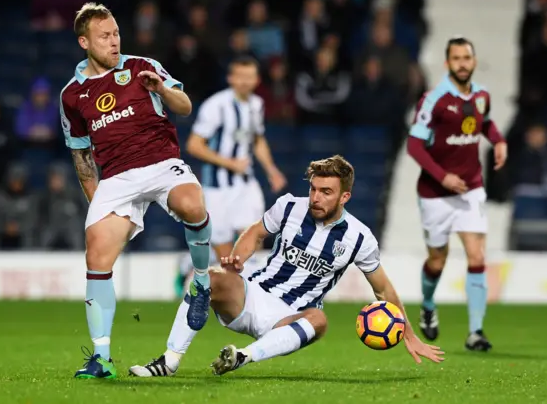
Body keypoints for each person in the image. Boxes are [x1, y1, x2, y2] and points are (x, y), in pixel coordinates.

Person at [129, 155, 444, 377]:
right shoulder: (290, 206)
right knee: (209, 278)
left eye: (326, 192)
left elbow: (383, 289)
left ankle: (242, 356)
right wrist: (238, 258)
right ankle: (168, 361)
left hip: (290, 317)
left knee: (320, 320)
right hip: (252, 295)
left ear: (345, 196)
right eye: (314, 189)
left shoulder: (360, 238)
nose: (316, 198)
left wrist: (409, 334)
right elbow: (255, 232)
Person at [60, 3, 214, 379]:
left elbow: (184, 105)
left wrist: (160, 87)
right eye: (104, 36)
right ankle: (101, 359)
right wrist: (97, 204)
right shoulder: (72, 95)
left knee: (192, 205)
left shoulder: (141, 66)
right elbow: (82, 159)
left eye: (116, 34)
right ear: (84, 42)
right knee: (96, 255)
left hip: (162, 163)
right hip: (117, 179)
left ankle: (202, 283)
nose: (114, 42)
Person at [407, 37, 508, 351]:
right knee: (437, 261)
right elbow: (414, 145)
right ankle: (427, 304)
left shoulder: (481, 95)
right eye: (457, 58)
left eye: (467, 57)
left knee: (477, 256)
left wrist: (499, 140)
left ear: (473, 61)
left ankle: (475, 332)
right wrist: (443, 176)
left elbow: (485, 123)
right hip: (435, 193)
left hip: (471, 189)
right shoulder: (433, 99)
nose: (463, 63)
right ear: (447, 63)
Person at [185, 56, 287, 261]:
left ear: (257, 80)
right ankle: (188, 266)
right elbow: (194, 145)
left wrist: (271, 170)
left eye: (249, 77)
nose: (244, 81)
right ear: (230, 78)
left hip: (245, 185)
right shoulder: (216, 105)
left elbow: (257, 140)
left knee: (252, 240)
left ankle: (248, 289)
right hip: (216, 187)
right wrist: (230, 163)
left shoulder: (256, 104)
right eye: (240, 77)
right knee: (224, 254)